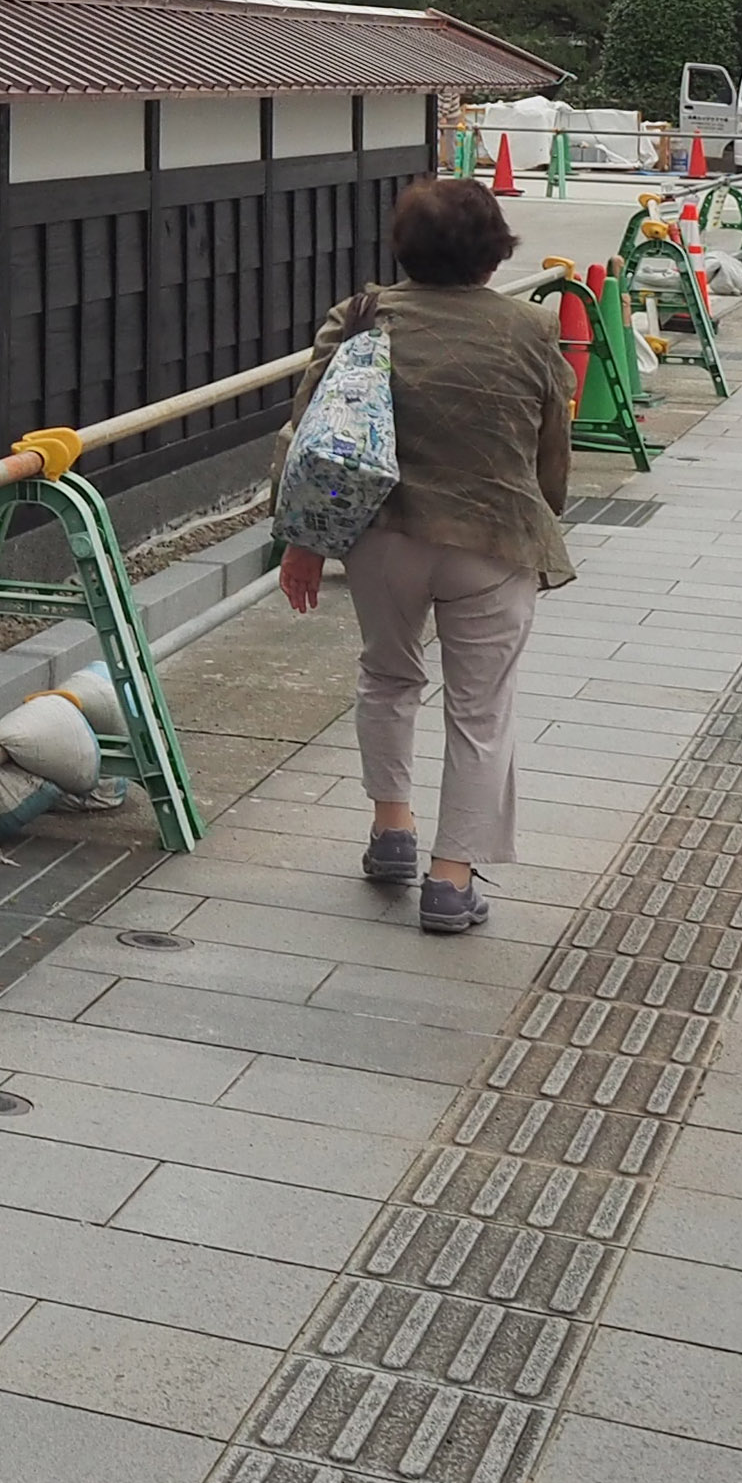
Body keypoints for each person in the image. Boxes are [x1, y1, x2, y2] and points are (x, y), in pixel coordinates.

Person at [280, 175, 569, 939]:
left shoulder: (363, 316)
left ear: (403, 247)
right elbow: (551, 450)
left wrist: (303, 542)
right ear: (494, 251)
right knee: (480, 712)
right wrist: (542, 531)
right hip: (494, 539)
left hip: (383, 536)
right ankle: (450, 881)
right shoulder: (531, 330)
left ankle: (392, 831)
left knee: (387, 675)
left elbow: (312, 434)